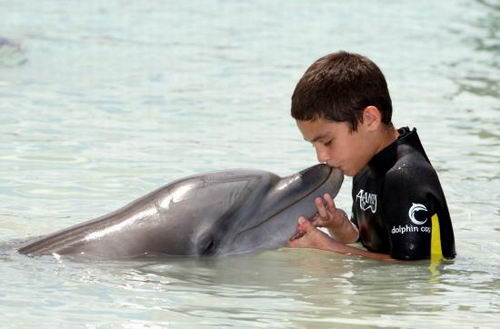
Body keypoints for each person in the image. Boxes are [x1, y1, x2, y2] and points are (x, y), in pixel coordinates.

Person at [287, 51, 456, 261]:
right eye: (314, 145)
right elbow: (368, 245)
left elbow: (414, 269)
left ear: (369, 119)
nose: (321, 156)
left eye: (328, 141)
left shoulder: (406, 177)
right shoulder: (364, 169)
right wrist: (340, 227)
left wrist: (327, 247)